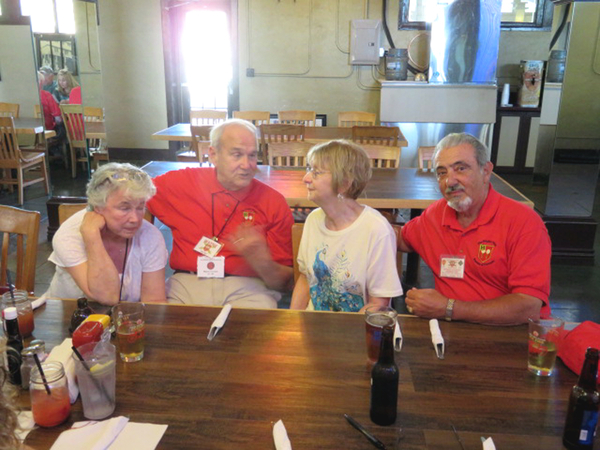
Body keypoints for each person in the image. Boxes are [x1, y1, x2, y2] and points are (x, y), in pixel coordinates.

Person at [399, 132, 551, 325]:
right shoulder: (436, 215)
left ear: (486, 171)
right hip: (451, 334)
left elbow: (528, 307)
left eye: (460, 169)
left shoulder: (524, 222)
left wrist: (448, 308)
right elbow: (401, 238)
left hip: (512, 334)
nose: (450, 181)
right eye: (442, 172)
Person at [147, 119, 294, 308]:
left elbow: (286, 284)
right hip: (187, 283)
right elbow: (127, 190)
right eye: (237, 154)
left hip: (249, 288)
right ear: (213, 155)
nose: (247, 165)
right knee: (167, 330)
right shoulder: (181, 183)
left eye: (252, 156)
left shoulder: (273, 202)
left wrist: (261, 261)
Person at [290, 140, 403, 312]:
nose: (305, 179)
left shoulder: (376, 229)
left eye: (316, 172)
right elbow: (306, 278)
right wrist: (292, 323)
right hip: (313, 325)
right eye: (308, 170)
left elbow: (378, 304)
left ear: (344, 184)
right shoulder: (313, 220)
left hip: (355, 329)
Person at [41, 163, 168, 305]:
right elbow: (107, 296)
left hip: (127, 321)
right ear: (98, 207)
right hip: (67, 318)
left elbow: (154, 301)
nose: (135, 219)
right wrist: (91, 235)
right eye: (124, 208)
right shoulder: (69, 235)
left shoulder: (150, 236)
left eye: (140, 207)